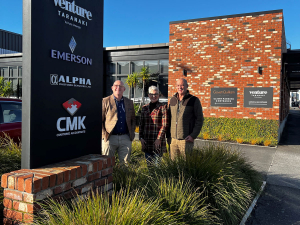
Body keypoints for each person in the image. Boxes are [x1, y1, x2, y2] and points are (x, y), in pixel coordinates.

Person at [167, 78, 204, 160]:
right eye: (178, 85)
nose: (180, 87)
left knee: (185, 164)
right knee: (173, 165)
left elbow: (199, 119)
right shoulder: (172, 100)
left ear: (187, 86)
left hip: (186, 140)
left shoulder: (194, 100)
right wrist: (168, 136)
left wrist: (193, 135)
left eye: (182, 85)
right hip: (173, 140)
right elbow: (169, 119)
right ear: (176, 87)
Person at [102, 80, 136, 164]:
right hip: (110, 138)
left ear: (124, 89)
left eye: (121, 86)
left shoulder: (129, 102)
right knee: (107, 164)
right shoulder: (105, 101)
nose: (118, 88)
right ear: (112, 88)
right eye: (116, 86)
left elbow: (133, 119)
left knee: (125, 164)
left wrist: (131, 133)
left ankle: (123, 177)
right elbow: (100, 120)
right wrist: (104, 135)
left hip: (125, 138)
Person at [139, 86, 168, 165]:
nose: (154, 96)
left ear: (159, 95)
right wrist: (141, 138)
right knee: (149, 167)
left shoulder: (163, 107)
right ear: (148, 95)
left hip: (157, 142)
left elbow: (164, 125)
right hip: (147, 142)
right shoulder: (144, 108)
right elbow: (141, 125)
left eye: (156, 94)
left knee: (157, 167)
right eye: (151, 94)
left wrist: (159, 139)